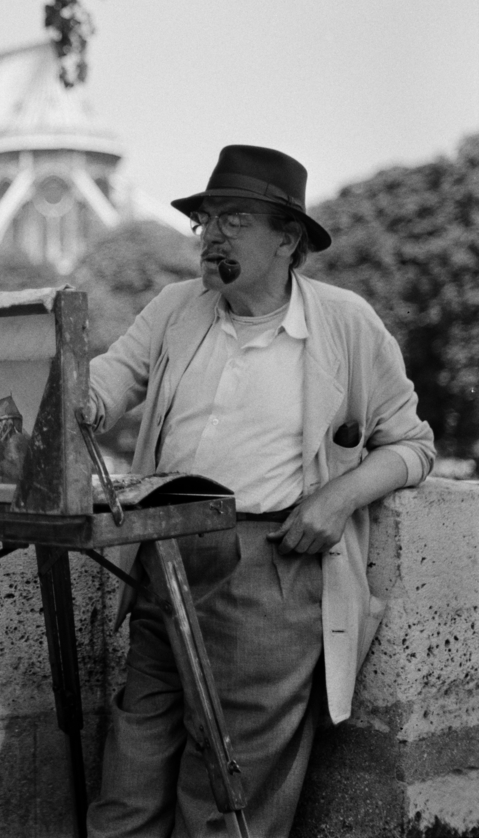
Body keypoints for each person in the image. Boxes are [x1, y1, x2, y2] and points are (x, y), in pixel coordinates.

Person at [83, 145, 434, 838]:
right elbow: (110, 378)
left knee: (228, 781)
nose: (211, 235)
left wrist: (337, 499)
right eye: (206, 220)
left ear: (288, 239)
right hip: (162, 549)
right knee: (133, 758)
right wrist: (76, 400)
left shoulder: (343, 322)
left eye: (233, 220)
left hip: (269, 565)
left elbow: (411, 445)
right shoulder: (176, 306)